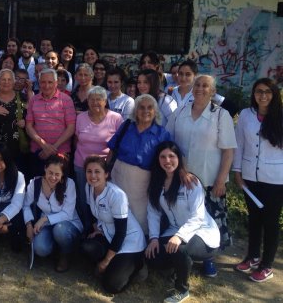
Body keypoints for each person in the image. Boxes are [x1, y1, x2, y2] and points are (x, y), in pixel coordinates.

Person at [166, 74, 236, 270]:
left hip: (209, 179)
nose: (200, 89)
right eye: (197, 84)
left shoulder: (221, 115)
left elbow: (228, 151)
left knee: (210, 221)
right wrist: (178, 169)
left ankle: (208, 258)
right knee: (184, 217)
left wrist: (221, 180)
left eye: (205, 86)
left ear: (213, 91)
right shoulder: (179, 112)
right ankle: (181, 254)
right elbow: (169, 144)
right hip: (182, 177)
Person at [146, 141, 220, 303]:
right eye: (163, 157)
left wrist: (179, 236)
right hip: (174, 230)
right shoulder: (157, 183)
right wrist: (153, 238)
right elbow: (153, 213)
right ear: (157, 160)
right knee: (152, 256)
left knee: (179, 249)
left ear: (179, 158)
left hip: (203, 233)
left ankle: (182, 289)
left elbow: (198, 216)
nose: (167, 160)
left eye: (171, 156)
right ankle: (180, 267)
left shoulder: (190, 182)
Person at [233, 78, 283, 283]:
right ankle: (252, 256)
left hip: (275, 180)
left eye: (267, 92)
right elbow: (239, 144)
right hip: (250, 177)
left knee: (270, 222)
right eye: (259, 92)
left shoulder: (280, 117)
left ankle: (266, 265)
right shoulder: (246, 115)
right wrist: (237, 171)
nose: (263, 96)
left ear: (274, 94)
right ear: (253, 94)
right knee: (253, 219)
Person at [80, 156, 147, 294]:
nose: (93, 176)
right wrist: (95, 228)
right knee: (86, 247)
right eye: (89, 171)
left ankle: (139, 266)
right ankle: (115, 264)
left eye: (97, 171)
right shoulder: (88, 187)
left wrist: (105, 261)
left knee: (111, 286)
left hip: (129, 241)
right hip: (107, 233)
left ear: (106, 174)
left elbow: (121, 232)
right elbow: (90, 210)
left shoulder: (117, 195)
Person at [107, 94, 171, 234]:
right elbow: (112, 149)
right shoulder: (126, 126)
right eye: (141, 107)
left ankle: (140, 249)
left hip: (143, 184)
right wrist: (106, 171)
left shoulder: (162, 134)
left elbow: (170, 159)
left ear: (155, 112)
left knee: (140, 217)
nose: (145, 111)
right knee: (117, 212)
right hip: (119, 177)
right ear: (135, 110)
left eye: (150, 108)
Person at [73, 86, 123, 231]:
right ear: (87, 101)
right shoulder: (80, 118)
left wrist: (107, 165)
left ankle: (103, 230)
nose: (95, 103)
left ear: (105, 101)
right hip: (81, 164)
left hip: (104, 167)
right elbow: (76, 140)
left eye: (99, 99)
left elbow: (118, 145)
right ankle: (86, 228)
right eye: (92, 99)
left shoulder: (116, 118)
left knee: (102, 200)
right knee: (84, 199)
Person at [24, 155, 82, 272]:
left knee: (59, 230)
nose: (53, 177)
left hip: (67, 224)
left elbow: (67, 213)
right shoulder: (35, 184)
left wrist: (45, 219)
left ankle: (65, 254)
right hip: (46, 225)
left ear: (62, 175)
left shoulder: (69, 184)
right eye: (50, 173)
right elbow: (25, 205)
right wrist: (29, 225)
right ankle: (55, 248)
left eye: (57, 174)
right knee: (40, 248)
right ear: (45, 169)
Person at [25, 68, 76, 176]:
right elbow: (29, 126)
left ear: (56, 83)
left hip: (61, 152)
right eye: (43, 82)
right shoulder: (33, 100)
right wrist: (43, 145)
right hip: (38, 151)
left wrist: (53, 147)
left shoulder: (66, 100)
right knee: (38, 185)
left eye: (50, 82)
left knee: (59, 188)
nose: (46, 85)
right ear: (39, 83)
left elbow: (71, 127)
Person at [0, 69, 29, 175]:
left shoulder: (23, 98)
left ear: (14, 82)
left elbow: (32, 117)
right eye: (3, 79)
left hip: (18, 147)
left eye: (9, 79)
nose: (6, 82)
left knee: (17, 176)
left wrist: (25, 121)